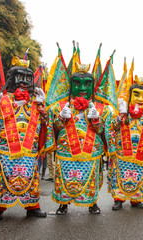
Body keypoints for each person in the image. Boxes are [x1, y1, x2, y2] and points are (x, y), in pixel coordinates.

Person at [0, 56, 47, 220]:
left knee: (31, 178)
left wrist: (42, 107)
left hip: (27, 150)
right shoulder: (2, 99)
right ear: (12, 79)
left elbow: (43, 123)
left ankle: (32, 206)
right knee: (0, 176)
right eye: (20, 78)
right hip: (4, 149)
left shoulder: (34, 101)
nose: (24, 82)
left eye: (28, 78)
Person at [45, 64, 113, 215]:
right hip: (66, 152)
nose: (82, 88)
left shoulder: (102, 109)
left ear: (93, 87)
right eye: (77, 84)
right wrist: (61, 118)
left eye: (87, 84)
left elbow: (104, 131)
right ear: (70, 86)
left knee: (91, 178)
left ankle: (92, 203)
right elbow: (54, 128)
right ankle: (63, 204)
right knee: (64, 177)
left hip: (91, 153)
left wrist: (96, 121)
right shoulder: (59, 107)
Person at [109, 76, 143, 210]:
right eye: (136, 95)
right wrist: (120, 117)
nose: (140, 99)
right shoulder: (123, 112)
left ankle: (135, 199)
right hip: (122, 154)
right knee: (120, 174)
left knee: (139, 175)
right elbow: (113, 128)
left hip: (142, 154)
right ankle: (119, 199)